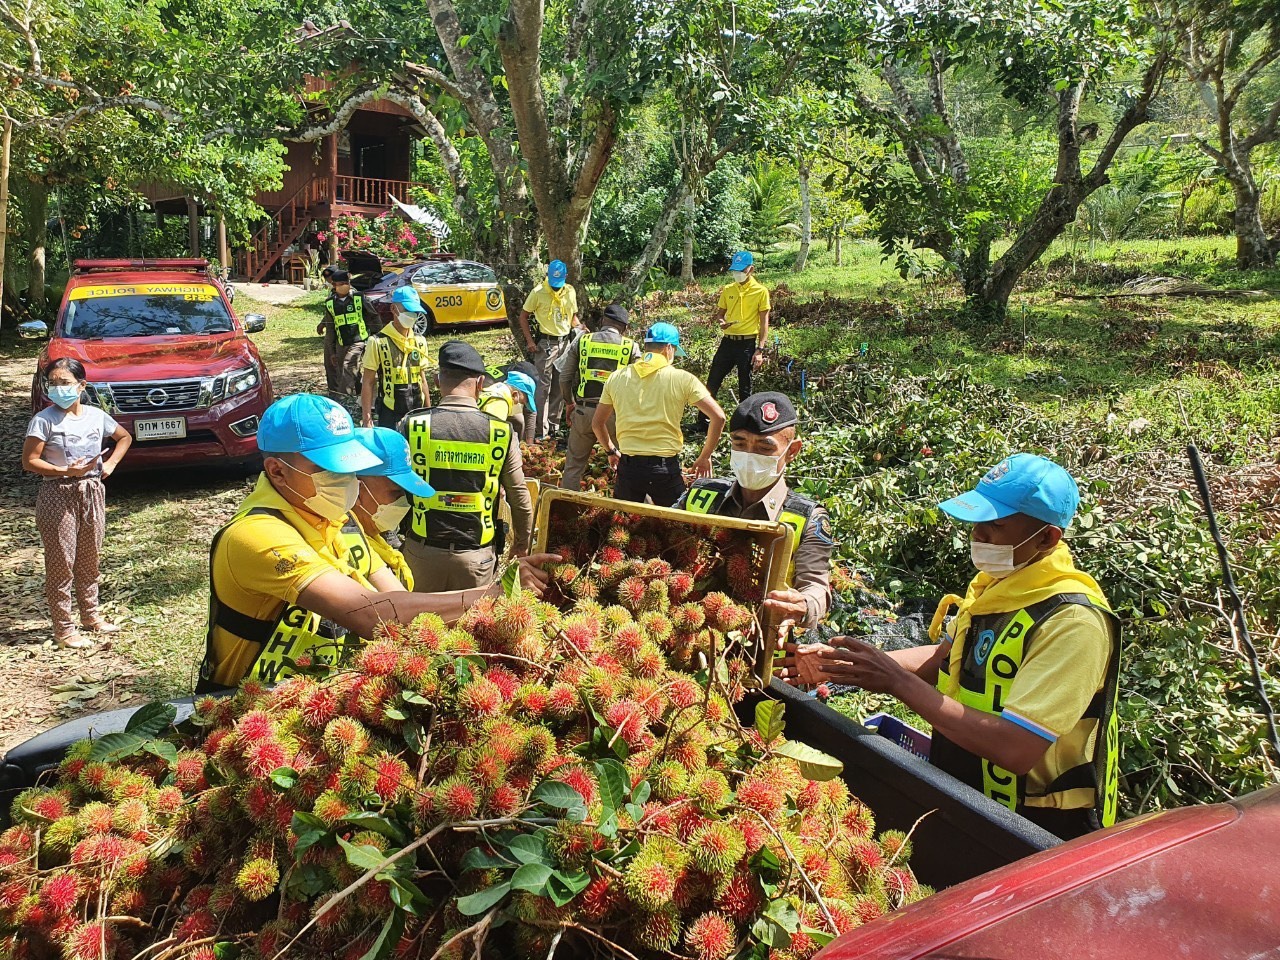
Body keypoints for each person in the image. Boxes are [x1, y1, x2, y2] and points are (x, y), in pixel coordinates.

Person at [782, 454, 1121, 839]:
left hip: (1035, 826)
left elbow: (1016, 749)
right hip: (969, 789)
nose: (978, 537)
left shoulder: (1072, 623)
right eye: (976, 523)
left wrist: (896, 682)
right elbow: (945, 660)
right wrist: (848, 665)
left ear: (1046, 538)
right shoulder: (997, 588)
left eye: (993, 526)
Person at [197, 393, 553, 691]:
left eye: (350, 470)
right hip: (245, 704)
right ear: (277, 471)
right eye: (331, 470)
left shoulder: (340, 521)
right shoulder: (257, 536)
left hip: (315, 692)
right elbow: (371, 615)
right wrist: (493, 594)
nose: (346, 482)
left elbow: (394, 601)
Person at [676, 392, 833, 634]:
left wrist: (804, 605)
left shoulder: (807, 519)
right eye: (740, 443)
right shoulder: (700, 495)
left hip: (759, 633)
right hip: (686, 622)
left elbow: (816, 586)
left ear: (792, 452)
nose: (749, 454)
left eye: (763, 447)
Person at [399, 342, 535, 590]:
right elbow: (519, 496)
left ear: (438, 380)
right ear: (481, 384)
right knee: (470, 626)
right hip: (476, 559)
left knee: (418, 626)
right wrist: (522, 543)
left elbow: (391, 489)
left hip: (420, 555)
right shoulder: (501, 431)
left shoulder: (412, 424)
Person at [22, 358, 133, 648]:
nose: (58, 389)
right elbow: (29, 461)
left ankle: (91, 616)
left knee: (89, 558)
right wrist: (65, 471)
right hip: (58, 494)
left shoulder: (96, 416)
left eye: (65, 382)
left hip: (92, 492)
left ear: (82, 386)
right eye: (53, 383)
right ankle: (64, 629)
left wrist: (110, 464)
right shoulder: (44, 420)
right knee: (61, 563)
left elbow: (123, 438)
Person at [592, 322, 725, 506]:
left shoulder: (617, 377)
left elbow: (597, 423)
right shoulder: (682, 378)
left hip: (629, 469)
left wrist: (611, 451)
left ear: (646, 346)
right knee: (674, 526)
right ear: (668, 349)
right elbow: (719, 417)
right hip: (664, 470)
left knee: (626, 525)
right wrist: (704, 457)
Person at [559, 303, 640, 491]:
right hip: (614, 416)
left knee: (573, 466)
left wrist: (569, 403)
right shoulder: (631, 347)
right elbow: (640, 382)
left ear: (603, 321)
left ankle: (565, 509)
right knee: (627, 465)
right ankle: (627, 514)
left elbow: (565, 377)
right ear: (625, 328)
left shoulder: (583, 341)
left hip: (584, 412)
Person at [351, 427, 436, 590]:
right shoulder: (340, 546)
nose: (402, 502)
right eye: (395, 493)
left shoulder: (378, 539)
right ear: (356, 490)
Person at [699, 250, 770, 430]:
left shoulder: (760, 292)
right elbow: (720, 314)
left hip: (747, 343)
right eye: (735, 270)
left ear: (751, 269)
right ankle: (702, 422)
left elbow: (764, 323)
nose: (737, 274)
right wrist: (722, 322)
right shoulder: (728, 290)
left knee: (744, 385)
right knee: (713, 380)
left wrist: (760, 350)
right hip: (727, 342)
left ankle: (744, 425)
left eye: (741, 270)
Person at [517, 260, 580, 441]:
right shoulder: (538, 292)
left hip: (565, 344)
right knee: (542, 388)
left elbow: (573, 317)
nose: (555, 286)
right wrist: (530, 341)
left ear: (566, 277)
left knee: (560, 386)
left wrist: (580, 328)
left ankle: (554, 427)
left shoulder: (570, 291)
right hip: (546, 344)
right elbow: (523, 316)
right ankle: (540, 431)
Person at [361, 286, 432, 429]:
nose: (412, 316)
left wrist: (429, 412)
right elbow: (368, 382)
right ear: (394, 309)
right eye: (407, 310)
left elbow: (422, 379)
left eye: (415, 312)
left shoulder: (419, 341)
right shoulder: (377, 341)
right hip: (390, 412)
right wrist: (367, 418)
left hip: (417, 411)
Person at [317, 269, 374, 398]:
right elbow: (331, 325)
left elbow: (373, 316)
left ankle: (343, 400)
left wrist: (376, 337)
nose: (342, 286)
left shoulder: (358, 297)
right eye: (338, 283)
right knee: (346, 370)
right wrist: (332, 351)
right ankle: (360, 396)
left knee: (349, 366)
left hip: (359, 339)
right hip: (341, 341)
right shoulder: (331, 301)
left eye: (344, 283)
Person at [479, 368, 539, 441]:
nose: (519, 405)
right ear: (515, 394)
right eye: (520, 402)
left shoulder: (495, 389)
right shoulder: (500, 403)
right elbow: (495, 436)